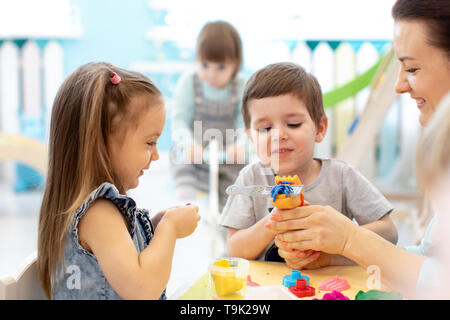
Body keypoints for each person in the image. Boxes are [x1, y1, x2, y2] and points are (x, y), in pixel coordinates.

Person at [267, 0, 450, 298]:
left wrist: (351, 239)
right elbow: (430, 261)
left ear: (319, 128)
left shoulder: (341, 174)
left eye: (412, 68)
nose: (399, 85)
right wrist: (337, 253)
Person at [37, 62, 200, 300]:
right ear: (101, 144)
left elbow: (122, 261)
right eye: (149, 143)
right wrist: (170, 228)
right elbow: (142, 290)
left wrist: (153, 227)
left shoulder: (98, 211)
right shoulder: (98, 215)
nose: (155, 155)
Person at [219, 62, 398, 267]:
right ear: (251, 138)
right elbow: (234, 248)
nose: (278, 135)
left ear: (320, 128)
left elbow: (389, 232)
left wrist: (340, 243)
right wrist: (276, 220)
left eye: (293, 124)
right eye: (265, 128)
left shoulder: (341, 176)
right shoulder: (251, 178)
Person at [170, 20, 248, 210]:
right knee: (182, 175)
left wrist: (240, 145)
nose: (211, 74)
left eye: (220, 67)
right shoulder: (189, 82)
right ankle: (186, 208)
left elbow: (246, 122)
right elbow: (179, 120)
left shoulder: (241, 85)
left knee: (234, 198)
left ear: (235, 64)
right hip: (194, 153)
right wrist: (188, 143)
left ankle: (225, 225)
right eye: (205, 65)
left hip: (228, 156)